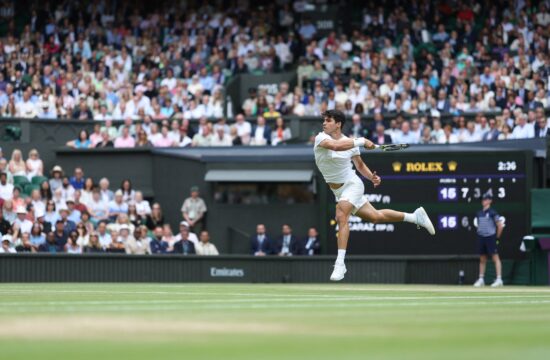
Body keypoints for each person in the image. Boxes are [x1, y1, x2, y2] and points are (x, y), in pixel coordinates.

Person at [314, 110, 435, 281]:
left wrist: (371, 177)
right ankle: (414, 217)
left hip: (352, 185)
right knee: (375, 217)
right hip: (338, 190)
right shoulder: (321, 138)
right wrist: (363, 141)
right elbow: (336, 146)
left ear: (338, 124)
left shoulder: (351, 143)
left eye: (328, 120)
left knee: (341, 215)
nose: (324, 123)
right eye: (324, 120)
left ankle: (340, 264)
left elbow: (360, 165)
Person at [473, 194, 504, 287]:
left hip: (491, 237)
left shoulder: (493, 213)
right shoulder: (479, 213)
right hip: (481, 237)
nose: (483, 201)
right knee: (482, 259)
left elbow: (500, 226)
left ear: (490, 201)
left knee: (495, 258)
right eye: (482, 199)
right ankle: (481, 279)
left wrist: (497, 238)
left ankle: (499, 279)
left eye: (485, 199)